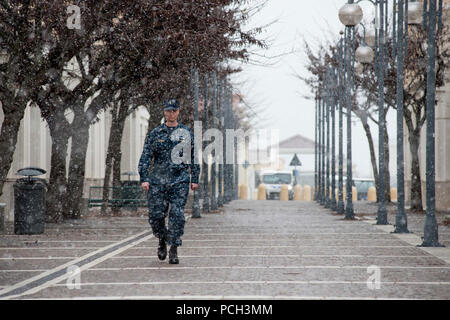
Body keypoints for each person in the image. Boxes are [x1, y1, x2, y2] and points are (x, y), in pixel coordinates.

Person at [138, 99, 199, 264]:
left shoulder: (186, 133)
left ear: (178, 111)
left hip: (179, 179)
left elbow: (193, 156)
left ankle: (174, 248)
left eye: (174, 110)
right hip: (158, 180)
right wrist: (144, 178)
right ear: (164, 112)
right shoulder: (156, 133)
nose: (171, 113)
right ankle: (162, 239)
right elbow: (146, 156)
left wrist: (195, 177)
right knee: (156, 215)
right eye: (168, 110)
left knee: (177, 214)